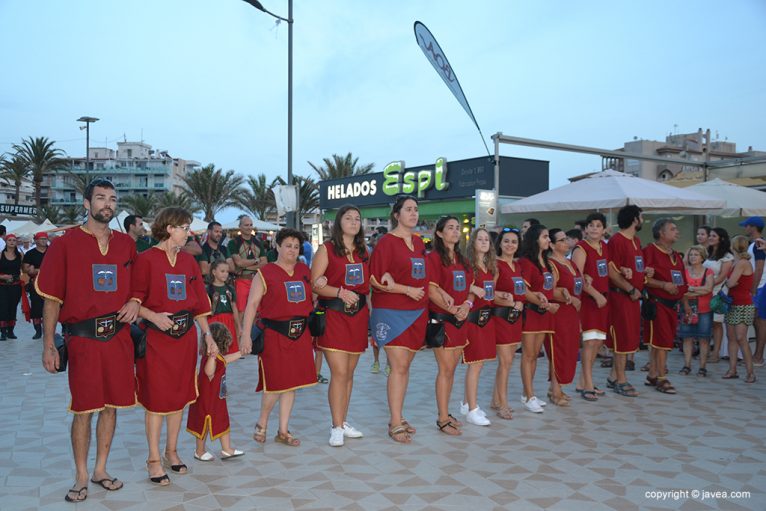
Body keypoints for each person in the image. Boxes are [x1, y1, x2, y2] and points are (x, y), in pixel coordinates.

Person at [37, 178, 139, 502]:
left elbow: (138, 284)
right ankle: (81, 475)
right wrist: (49, 344)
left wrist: (135, 300)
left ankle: (101, 469)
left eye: (112, 198)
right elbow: (51, 298)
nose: (107, 204)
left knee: (111, 408)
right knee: (84, 409)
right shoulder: (65, 244)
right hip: (82, 339)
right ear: (86, 203)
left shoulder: (126, 244)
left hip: (119, 339)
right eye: (100, 198)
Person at [132, 207, 215, 486]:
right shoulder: (145, 260)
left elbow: (201, 303)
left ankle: (171, 451)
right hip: (156, 339)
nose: (188, 232)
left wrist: (208, 336)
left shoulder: (189, 263)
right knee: (156, 400)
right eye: (184, 227)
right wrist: (154, 316)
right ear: (169, 228)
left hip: (185, 339)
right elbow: (133, 301)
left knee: (179, 397)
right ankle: (153, 459)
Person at [239, 228, 317, 447]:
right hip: (274, 334)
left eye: (295, 246)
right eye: (288, 245)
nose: (292, 250)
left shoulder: (303, 270)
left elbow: (313, 296)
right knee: (275, 382)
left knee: (292, 384)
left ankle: (283, 430)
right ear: (278, 246)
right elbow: (252, 305)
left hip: (300, 334)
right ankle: (262, 422)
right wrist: (246, 336)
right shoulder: (265, 273)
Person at [369, 196, 428, 443]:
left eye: (416, 209)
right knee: (399, 367)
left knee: (405, 368)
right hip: (392, 311)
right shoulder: (386, 243)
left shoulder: (419, 242)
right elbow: (375, 279)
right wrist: (405, 290)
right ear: (397, 214)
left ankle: (399, 414)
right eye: (408, 209)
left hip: (418, 311)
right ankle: (395, 421)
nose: (413, 214)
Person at [311, 205, 370, 446]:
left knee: (349, 374)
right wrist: (339, 291)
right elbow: (315, 284)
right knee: (339, 372)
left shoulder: (364, 251)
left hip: (358, 318)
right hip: (334, 317)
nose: (354, 222)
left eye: (358, 218)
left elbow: (370, 283)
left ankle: (343, 421)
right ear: (339, 222)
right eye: (349, 218)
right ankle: (336, 426)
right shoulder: (326, 249)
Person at [427, 216, 471, 434]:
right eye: (450, 228)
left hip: (461, 321)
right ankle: (442, 418)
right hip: (443, 321)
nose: (455, 231)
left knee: (452, 370)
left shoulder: (462, 259)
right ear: (439, 233)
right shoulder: (434, 258)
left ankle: (446, 412)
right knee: (445, 369)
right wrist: (453, 310)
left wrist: (467, 305)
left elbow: (471, 288)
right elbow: (431, 290)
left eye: (457, 228)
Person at [606, 205, 649, 398]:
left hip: (634, 296)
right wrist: (630, 288)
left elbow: (632, 266)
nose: (643, 220)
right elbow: (612, 271)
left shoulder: (636, 241)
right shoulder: (617, 240)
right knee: (622, 338)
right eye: (641, 216)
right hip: (621, 296)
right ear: (634, 219)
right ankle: (621, 379)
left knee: (630, 337)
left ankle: (614, 375)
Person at [186, 322, 244, 462]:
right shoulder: (209, 359)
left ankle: (227, 449)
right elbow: (208, 372)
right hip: (206, 401)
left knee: (223, 421)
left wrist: (242, 352)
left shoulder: (219, 358)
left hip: (217, 399)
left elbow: (225, 360)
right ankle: (199, 451)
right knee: (203, 426)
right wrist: (212, 357)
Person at [456, 227, 497, 426]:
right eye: (479, 239)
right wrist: (473, 289)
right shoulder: (468, 266)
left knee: (479, 364)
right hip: (472, 319)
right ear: (472, 242)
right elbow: (463, 286)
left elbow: (489, 293)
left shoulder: (490, 267)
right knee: (475, 364)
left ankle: (466, 403)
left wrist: (503, 296)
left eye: (486, 239)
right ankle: (472, 408)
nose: (483, 242)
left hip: (487, 319)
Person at [643, 218, 688, 395]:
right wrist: (663, 285)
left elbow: (682, 281)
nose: (677, 232)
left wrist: (685, 303)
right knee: (661, 342)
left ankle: (653, 374)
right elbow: (643, 277)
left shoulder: (676, 255)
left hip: (673, 305)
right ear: (661, 233)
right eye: (673, 229)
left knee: (662, 341)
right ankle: (662, 377)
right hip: (657, 303)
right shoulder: (649, 251)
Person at [518, 224, 559, 413]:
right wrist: (542, 302)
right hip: (532, 312)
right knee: (528, 355)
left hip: (545, 314)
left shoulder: (547, 262)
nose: (548, 240)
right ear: (535, 239)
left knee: (535, 355)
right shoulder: (527, 262)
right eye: (545, 237)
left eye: (549, 237)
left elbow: (550, 288)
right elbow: (524, 291)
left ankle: (528, 394)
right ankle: (529, 395)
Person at [572, 213, 609, 402]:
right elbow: (578, 278)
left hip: (602, 301)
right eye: (591, 225)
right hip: (589, 301)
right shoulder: (581, 248)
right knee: (589, 343)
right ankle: (587, 383)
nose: (594, 228)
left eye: (598, 225)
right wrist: (595, 294)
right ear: (585, 229)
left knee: (597, 343)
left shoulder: (604, 248)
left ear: (604, 229)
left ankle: (583, 381)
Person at [547, 228, 584, 406]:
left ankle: (558, 387)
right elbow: (549, 291)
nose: (566, 242)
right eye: (561, 240)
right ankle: (555, 390)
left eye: (566, 239)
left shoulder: (571, 263)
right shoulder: (552, 264)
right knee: (558, 350)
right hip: (559, 313)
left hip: (572, 313)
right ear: (552, 245)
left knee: (569, 350)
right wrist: (568, 297)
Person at [491, 227, 525, 419]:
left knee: (507, 363)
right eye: (506, 241)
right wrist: (510, 301)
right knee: (505, 363)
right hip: (502, 318)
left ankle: (495, 400)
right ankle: (503, 404)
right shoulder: (496, 265)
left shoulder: (517, 266)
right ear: (500, 244)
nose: (510, 245)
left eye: (514, 241)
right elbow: (490, 294)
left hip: (515, 319)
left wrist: (519, 301)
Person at [722, 235, 757, 383]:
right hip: (733, 303)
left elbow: (730, 283)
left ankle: (750, 373)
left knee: (741, 338)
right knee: (731, 337)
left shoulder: (742, 263)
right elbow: (730, 283)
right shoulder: (736, 262)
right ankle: (732, 369)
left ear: (733, 246)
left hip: (743, 304)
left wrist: (729, 282)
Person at [679, 245, 714, 377]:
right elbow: (682, 291)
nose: (693, 257)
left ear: (702, 257)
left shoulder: (708, 271)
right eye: (691, 254)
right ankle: (687, 365)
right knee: (687, 337)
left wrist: (691, 289)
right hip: (687, 307)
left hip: (705, 308)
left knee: (704, 338)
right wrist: (699, 289)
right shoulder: (684, 271)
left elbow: (709, 289)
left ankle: (702, 367)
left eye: (696, 255)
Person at [703, 228, 734, 363]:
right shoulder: (708, 253)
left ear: (721, 238)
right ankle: (706, 351)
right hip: (704, 291)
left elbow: (722, 276)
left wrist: (706, 285)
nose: (710, 237)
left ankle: (716, 353)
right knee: (706, 322)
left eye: (713, 236)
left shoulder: (727, 256)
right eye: (710, 235)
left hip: (717, 293)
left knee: (716, 323)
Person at [739, 217, 766, 367]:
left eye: (747, 226)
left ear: (753, 227)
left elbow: (760, 267)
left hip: (762, 286)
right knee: (756, 322)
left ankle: (759, 357)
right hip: (759, 286)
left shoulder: (758, 244)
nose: (745, 229)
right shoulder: (753, 245)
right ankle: (757, 355)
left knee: (761, 322)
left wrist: (754, 289)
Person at [228, 215, 267, 313]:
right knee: (241, 310)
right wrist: (257, 260)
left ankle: (252, 329)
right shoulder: (233, 242)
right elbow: (239, 262)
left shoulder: (258, 241)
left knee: (257, 311)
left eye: (251, 225)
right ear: (240, 226)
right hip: (242, 280)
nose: (249, 227)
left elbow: (265, 263)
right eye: (246, 225)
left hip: (257, 280)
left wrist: (245, 266)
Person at [207, 260, 241, 354]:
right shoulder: (208, 289)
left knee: (228, 348)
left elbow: (234, 307)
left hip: (228, 320)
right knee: (214, 349)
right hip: (214, 321)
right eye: (222, 271)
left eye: (227, 272)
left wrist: (238, 326)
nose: (225, 274)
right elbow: (205, 310)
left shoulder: (230, 289)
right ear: (214, 272)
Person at [22, 232, 49, 339]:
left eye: (45, 239)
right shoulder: (30, 253)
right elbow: (25, 269)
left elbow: (57, 267)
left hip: (51, 283)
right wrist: (33, 271)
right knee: (36, 307)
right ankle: (38, 331)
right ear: (36, 240)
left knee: (50, 307)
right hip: (36, 283)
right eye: (41, 239)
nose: (44, 240)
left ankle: (49, 331)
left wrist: (37, 270)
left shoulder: (52, 251)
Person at [0, 234, 23, 340]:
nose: (12, 242)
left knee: (13, 308)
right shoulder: (1, 255)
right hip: (2, 285)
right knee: (3, 308)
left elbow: (25, 270)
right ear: (6, 242)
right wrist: (3, 276)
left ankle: (11, 331)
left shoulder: (20, 255)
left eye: (14, 240)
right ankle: (3, 332)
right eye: (9, 240)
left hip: (15, 285)